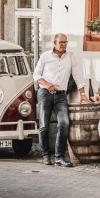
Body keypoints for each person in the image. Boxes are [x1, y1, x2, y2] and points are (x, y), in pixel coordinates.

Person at [33, 33, 88, 166]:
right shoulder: (45, 56)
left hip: (61, 95)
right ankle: (46, 155)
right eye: (61, 42)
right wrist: (47, 84)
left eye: (65, 42)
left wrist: (82, 94)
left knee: (64, 123)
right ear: (54, 43)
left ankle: (59, 157)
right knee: (44, 125)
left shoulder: (70, 57)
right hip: (45, 93)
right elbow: (36, 74)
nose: (63, 45)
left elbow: (77, 75)